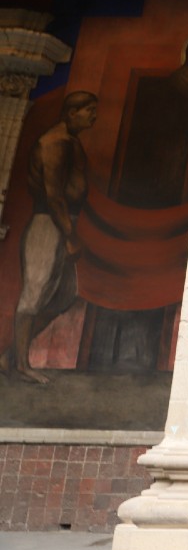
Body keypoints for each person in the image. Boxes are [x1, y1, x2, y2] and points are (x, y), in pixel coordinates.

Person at [1, 91, 98, 383]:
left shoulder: (70, 140)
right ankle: (22, 366)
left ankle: (10, 356)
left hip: (61, 223)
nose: (94, 116)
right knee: (33, 296)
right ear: (72, 112)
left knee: (65, 295)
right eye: (89, 110)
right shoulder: (55, 143)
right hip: (48, 225)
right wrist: (69, 235)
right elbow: (54, 195)